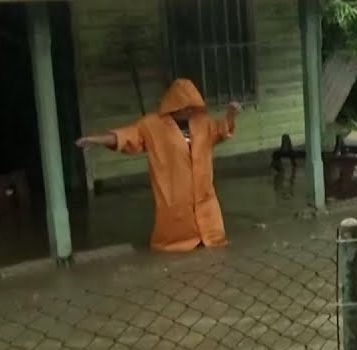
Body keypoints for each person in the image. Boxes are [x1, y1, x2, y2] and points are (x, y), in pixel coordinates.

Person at [76, 78, 241, 253]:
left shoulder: (203, 123)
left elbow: (222, 131)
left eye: (194, 106)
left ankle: (207, 237)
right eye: (187, 106)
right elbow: (128, 136)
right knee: (175, 243)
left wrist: (230, 115)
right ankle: (179, 242)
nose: (191, 110)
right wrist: (97, 140)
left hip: (204, 195)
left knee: (213, 245)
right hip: (174, 196)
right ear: (175, 105)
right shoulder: (152, 125)